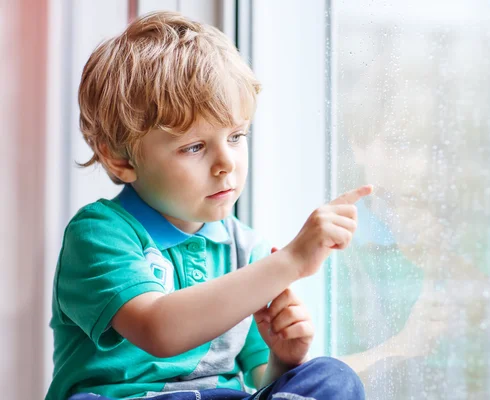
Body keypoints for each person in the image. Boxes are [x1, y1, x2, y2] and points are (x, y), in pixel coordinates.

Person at [45, 11, 371, 400]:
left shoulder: (243, 248)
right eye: (194, 147)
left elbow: (258, 376)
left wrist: (283, 359)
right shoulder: (100, 233)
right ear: (121, 160)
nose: (226, 164)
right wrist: (291, 260)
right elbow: (159, 329)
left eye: (236, 136)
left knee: (332, 376)